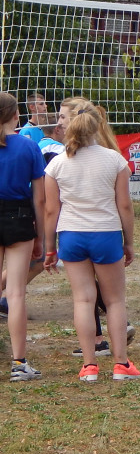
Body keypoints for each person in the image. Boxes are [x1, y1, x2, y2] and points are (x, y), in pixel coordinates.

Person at [44, 98, 140, 381]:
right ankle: (121, 364)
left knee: (83, 301)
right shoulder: (115, 160)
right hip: (106, 234)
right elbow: (124, 205)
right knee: (114, 301)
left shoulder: (57, 164)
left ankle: (89, 366)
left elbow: (52, 210)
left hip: (71, 236)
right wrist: (130, 241)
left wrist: (51, 247)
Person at [0, 92, 49, 381]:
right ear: (16, 115)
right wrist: (41, 237)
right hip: (19, 218)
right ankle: (19, 363)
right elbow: (40, 201)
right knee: (16, 292)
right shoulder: (29, 147)